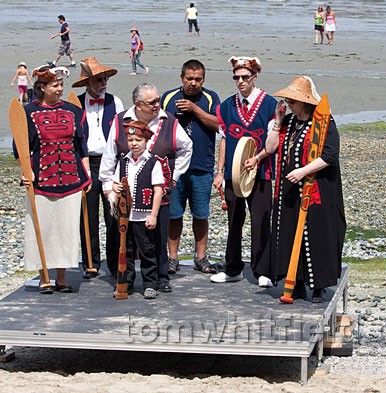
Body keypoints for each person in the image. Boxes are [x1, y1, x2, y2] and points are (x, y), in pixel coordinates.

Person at [255, 76, 346, 303]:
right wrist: (277, 120)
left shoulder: (323, 122)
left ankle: (318, 287)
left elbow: (330, 155)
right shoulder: (288, 122)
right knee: (289, 232)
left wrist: (304, 171)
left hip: (316, 189)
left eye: (292, 102)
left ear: (304, 102)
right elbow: (270, 147)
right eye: (287, 102)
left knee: (315, 234)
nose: (289, 105)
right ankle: (294, 283)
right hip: (290, 189)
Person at [99, 83, 192, 293]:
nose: (158, 104)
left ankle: (160, 277)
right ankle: (121, 276)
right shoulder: (120, 120)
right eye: (152, 102)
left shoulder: (169, 121)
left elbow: (187, 147)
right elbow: (109, 153)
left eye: (158, 100)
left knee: (158, 236)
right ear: (138, 104)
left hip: (159, 191)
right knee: (124, 236)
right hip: (126, 191)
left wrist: (174, 176)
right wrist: (107, 184)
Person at [15, 64, 91, 294]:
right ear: (42, 87)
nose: (59, 89)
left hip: (71, 179)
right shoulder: (27, 112)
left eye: (61, 85)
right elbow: (20, 148)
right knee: (43, 228)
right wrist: (26, 173)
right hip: (40, 181)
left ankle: (62, 277)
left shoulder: (73, 110)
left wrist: (86, 176)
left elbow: (81, 145)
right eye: (54, 85)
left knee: (66, 229)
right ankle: (44, 276)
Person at [210, 56, 276, 287]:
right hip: (233, 175)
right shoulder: (227, 106)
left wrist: (257, 158)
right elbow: (225, 140)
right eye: (236, 77)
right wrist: (219, 171)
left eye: (245, 77)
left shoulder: (270, 104)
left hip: (261, 173)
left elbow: (273, 141)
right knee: (234, 221)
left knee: (261, 221)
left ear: (254, 77)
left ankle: (263, 271)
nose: (240, 81)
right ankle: (233, 268)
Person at [161, 60, 220, 274]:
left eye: (198, 79)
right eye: (189, 79)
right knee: (174, 214)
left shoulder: (210, 98)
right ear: (181, 78)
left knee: (201, 214)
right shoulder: (168, 98)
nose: (193, 83)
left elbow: (219, 125)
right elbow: (158, 127)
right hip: (173, 167)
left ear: (203, 80)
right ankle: (173, 258)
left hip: (202, 166)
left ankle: (201, 257)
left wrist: (195, 109)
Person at [72, 57, 124, 278]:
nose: (104, 82)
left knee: (113, 214)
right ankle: (90, 264)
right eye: (99, 79)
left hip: (110, 162)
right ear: (88, 82)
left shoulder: (116, 102)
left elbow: (122, 134)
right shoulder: (76, 104)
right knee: (88, 214)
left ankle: (114, 263)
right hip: (86, 162)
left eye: (105, 78)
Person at [112, 121, 163, 299]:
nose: (134, 143)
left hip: (143, 215)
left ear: (146, 141)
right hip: (125, 216)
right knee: (126, 249)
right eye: (131, 139)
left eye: (138, 140)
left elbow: (158, 190)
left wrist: (153, 215)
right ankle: (126, 282)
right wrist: (116, 187)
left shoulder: (153, 162)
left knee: (147, 250)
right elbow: (116, 183)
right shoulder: (123, 162)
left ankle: (150, 283)